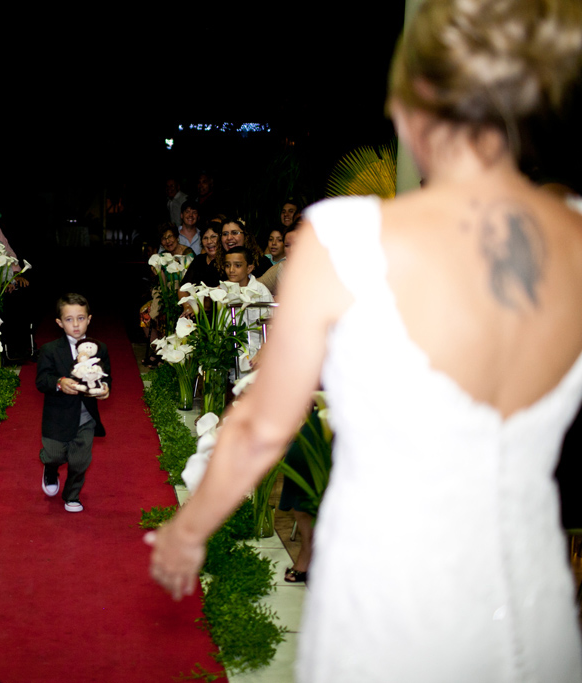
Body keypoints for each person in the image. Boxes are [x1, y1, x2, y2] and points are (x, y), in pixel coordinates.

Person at [148, 1, 582, 681]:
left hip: (388, 602)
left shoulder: (347, 239)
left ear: (417, 103)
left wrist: (188, 528)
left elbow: (263, 424)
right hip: (533, 604)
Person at [36, 293, 110, 513]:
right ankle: (50, 468)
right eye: (69, 319)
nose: (76, 324)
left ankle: (72, 495)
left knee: (80, 461)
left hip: (86, 416)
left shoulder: (100, 348)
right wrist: (59, 382)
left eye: (80, 318)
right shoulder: (50, 349)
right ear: (59, 323)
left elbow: (106, 378)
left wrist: (105, 390)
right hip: (57, 416)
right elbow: (42, 381)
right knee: (54, 454)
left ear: (89, 319)